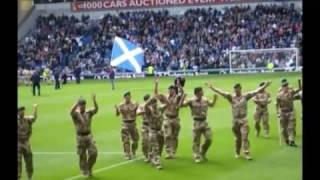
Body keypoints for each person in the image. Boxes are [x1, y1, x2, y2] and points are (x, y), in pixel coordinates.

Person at [206, 81, 271, 160]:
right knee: (238, 138)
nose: (236, 92)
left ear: (240, 89)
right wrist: (212, 88)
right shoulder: (231, 97)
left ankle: (246, 152)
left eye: (237, 90)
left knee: (245, 136)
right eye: (235, 90)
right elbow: (221, 92)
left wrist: (265, 85)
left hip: (243, 119)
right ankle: (237, 151)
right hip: (235, 120)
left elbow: (256, 91)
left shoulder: (245, 96)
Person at [180, 87, 217, 163]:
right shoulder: (191, 100)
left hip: (205, 122)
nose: (202, 92)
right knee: (196, 141)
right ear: (197, 93)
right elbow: (181, 106)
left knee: (209, 139)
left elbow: (212, 105)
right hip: (196, 122)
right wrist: (183, 97)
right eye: (201, 91)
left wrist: (215, 99)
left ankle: (203, 151)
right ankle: (196, 155)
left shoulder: (205, 99)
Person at [154, 78, 184, 159]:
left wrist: (179, 86)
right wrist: (156, 84)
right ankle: (168, 152)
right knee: (167, 135)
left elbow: (183, 93)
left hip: (175, 118)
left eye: (172, 90)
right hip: (167, 118)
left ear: (174, 90)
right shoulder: (164, 97)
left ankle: (173, 151)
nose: (171, 91)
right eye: (169, 90)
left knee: (174, 136)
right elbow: (156, 95)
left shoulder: (177, 97)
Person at [70, 94, 99, 177]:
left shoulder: (89, 112)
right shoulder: (76, 114)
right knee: (82, 155)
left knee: (94, 153)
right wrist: (76, 103)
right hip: (80, 137)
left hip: (89, 136)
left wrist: (94, 100)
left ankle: (89, 167)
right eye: (81, 105)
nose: (83, 106)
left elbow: (96, 109)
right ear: (79, 105)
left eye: (84, 105)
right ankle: (84, 170)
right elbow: (71, 112)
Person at [115, 91, 140, 160]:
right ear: (124, 98)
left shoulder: (134, 104)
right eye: (126, 97)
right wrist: (117, 109)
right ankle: (127, 153)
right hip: (125, 123)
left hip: (133, 123)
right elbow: (117, 114)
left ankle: (133, 151)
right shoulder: (121, 105)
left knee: (135, 140)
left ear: (130, 97)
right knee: (125, 140)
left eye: (129, 97)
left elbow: (138, 112)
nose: (127, 99)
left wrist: (138, 108)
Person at [276, 79, 300, 147]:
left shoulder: (291, 92)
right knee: (283, 128)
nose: (285, 87)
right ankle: (286, 139)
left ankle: (291, 140)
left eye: (286, 85)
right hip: (283, 113)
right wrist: (277, 112)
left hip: (290, 112)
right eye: (284, 86)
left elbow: (299, 89)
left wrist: (299, 82)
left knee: (291, 127)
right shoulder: (279, 95)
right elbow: (277, 104)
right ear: (282, 87)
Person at [18, 104, 38, 180]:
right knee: (18, 161)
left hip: (26, 143)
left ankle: (30, 177)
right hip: (18, 143)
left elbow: (34, 118)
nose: (22, 113)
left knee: (29, 160)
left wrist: (35, 109)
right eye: (21, 111)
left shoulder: (27, 119)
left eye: (23, 111)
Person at [144, 96, 165, 169]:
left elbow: (168, 103)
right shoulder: (149, 111)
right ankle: (157, 162)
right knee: (156, 146)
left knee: (161, 146)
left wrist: (163, 97)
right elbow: (145, 105)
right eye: (153, 103)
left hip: (160, 130)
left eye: (155, 102)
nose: (155, 104)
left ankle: (152, 156)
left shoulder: (160, 109)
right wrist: (150, 99)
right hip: (153, 130)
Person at [136, 94, 151, 162]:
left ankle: (152, 155)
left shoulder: (153, 106)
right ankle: (146, 155)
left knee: (153, 142)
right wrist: (144, 111)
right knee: (145, 141)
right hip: (145, 125)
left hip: (152, 126)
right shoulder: (141, 106)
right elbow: (138, 112)